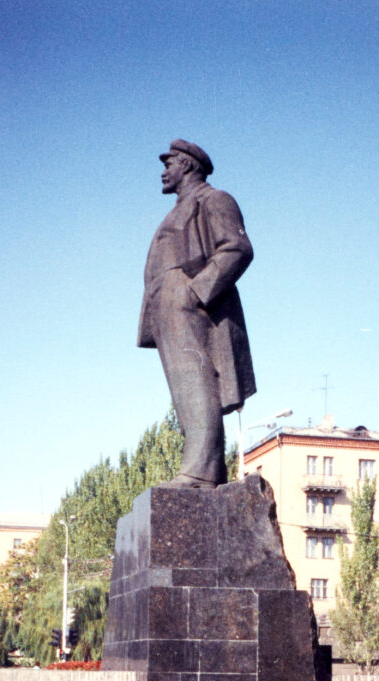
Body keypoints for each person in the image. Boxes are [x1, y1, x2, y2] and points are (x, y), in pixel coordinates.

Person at [138, 139, 255, 488]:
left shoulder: (214, 199)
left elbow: (237, 248)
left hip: (192, 302)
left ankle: (199, 472)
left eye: (169, 164)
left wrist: (196, 291)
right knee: (184, 390)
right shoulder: (176, 210)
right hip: (167, 306)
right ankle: (205, 470)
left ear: (187, 165)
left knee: (197, 382)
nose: (163, 172)